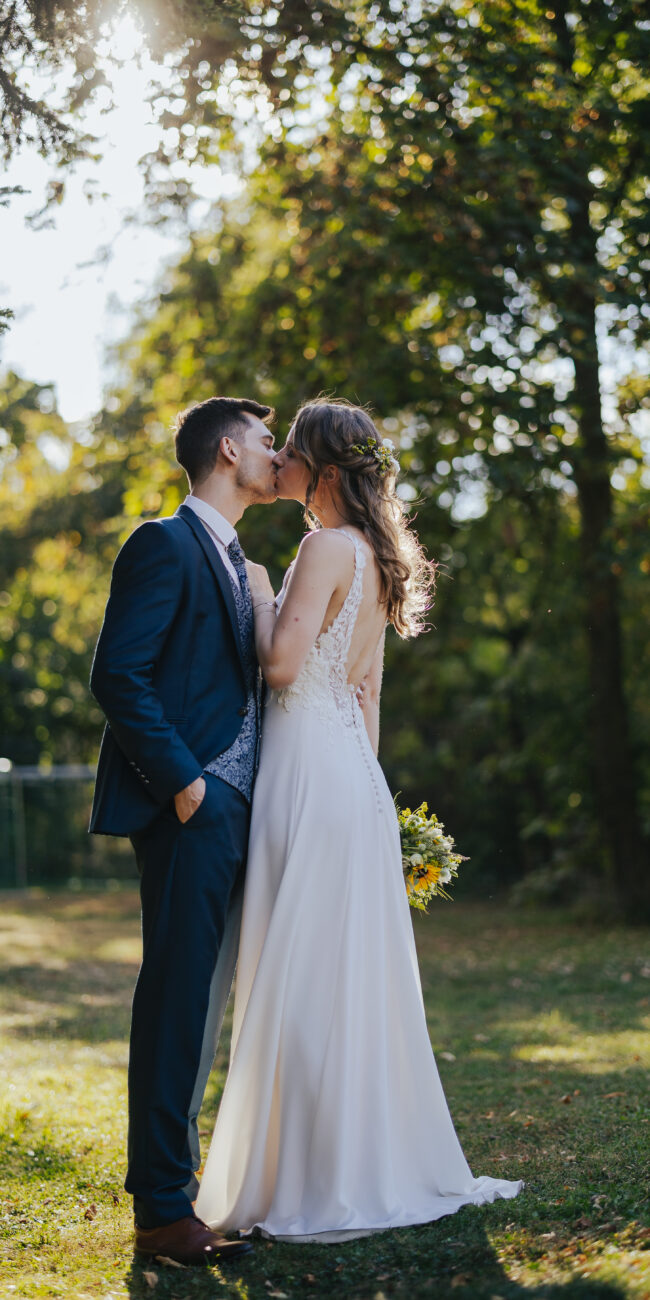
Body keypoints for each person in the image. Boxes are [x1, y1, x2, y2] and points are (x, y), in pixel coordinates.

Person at [194, 398, 523, 1241]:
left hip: (305, 773)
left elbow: (279, 666)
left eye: (294, 454)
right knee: (343, 979)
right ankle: (351, 1159)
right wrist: (372, 792)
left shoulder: (320, 547)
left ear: (326, 474)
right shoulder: (376, 557)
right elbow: (365, 691)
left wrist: (261, 590)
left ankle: (306, 1176)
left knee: (297, 974)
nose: (283, 467)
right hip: (352, 778)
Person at [89, 396, 277, 1265]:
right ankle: (164, 1209)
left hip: (247, 809)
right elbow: (119, 675)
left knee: (216, 1006)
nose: (276, 454)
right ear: (230, 450)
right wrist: (187, 785)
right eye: (268, 442)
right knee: (178, 1002)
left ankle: (207, 1187)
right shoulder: (162, 542)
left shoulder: (245, 564)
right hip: (191, 808)